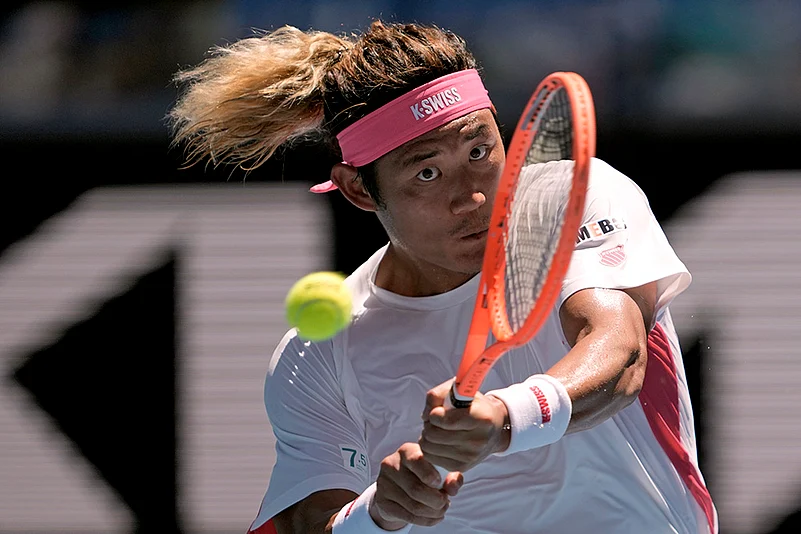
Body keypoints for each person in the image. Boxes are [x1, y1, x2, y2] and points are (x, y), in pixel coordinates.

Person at [168, 20, 718, 534]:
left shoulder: (568, 199)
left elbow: (619, 354)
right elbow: (310, 522)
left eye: (480, 150)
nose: (474, 196)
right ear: (359, 189)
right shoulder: (317, 355)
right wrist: (376, 513)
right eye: (427, 172)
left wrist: (507, 414)